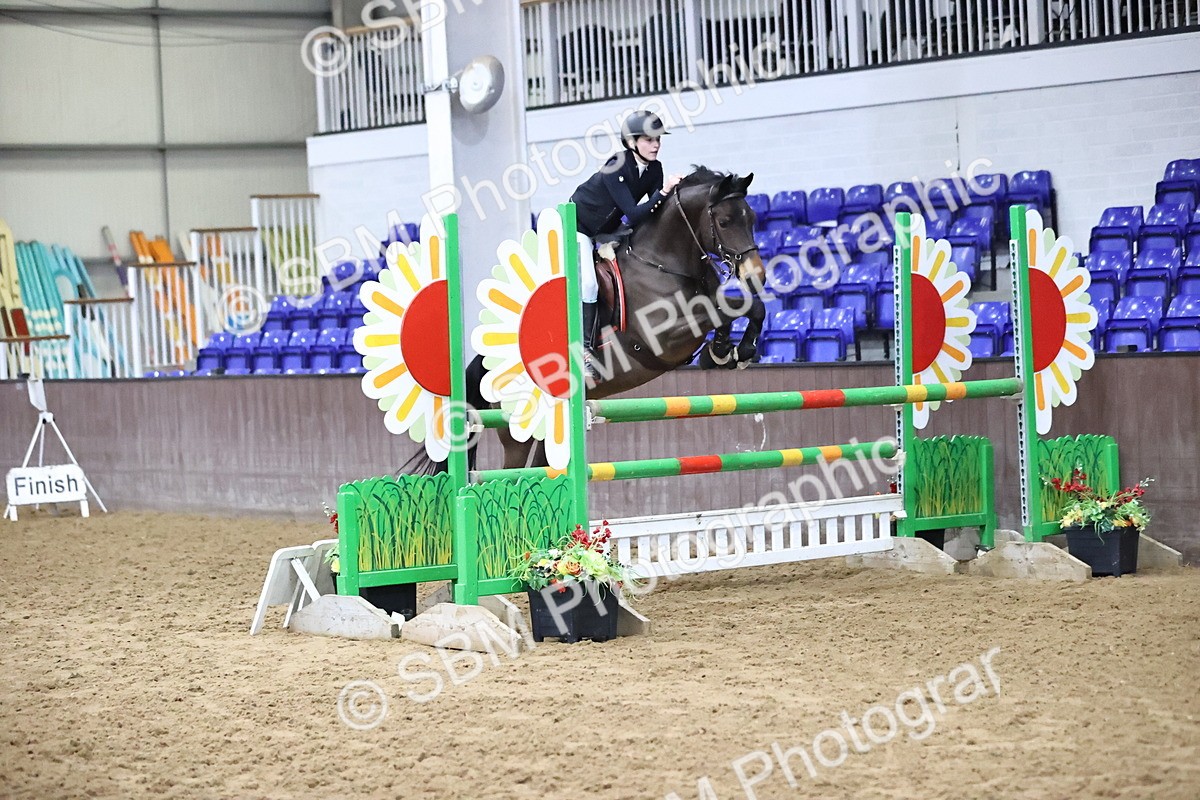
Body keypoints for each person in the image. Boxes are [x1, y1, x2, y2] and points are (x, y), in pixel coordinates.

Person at [568, 111, 684, 378]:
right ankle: (584, 350)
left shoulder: (655, 169)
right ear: (632, 142)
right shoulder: (617, 164)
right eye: (648, 139)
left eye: (657, 139)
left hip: (607, 230)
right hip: (578, 227)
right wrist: (663, 192)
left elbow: (653, 211)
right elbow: (633, 211)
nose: (656, 144)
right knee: (588, 283)